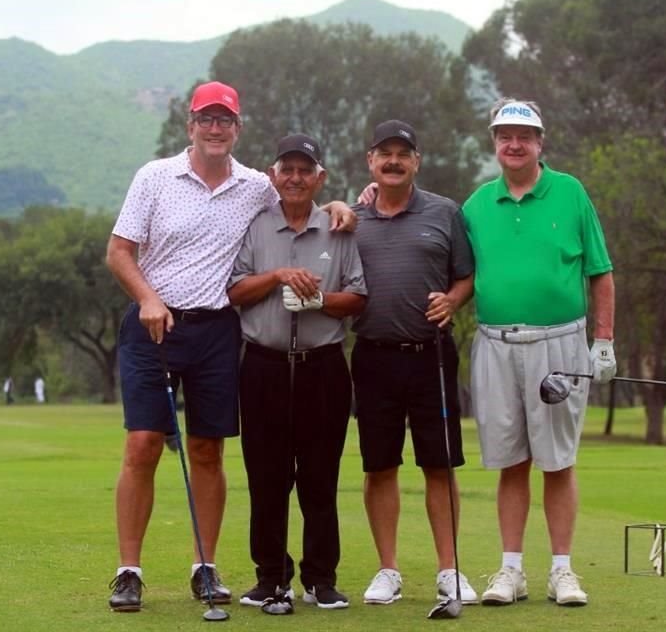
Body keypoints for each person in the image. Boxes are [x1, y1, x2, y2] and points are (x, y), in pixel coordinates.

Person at [104, 81, 355, 613]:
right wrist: (148, 298)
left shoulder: (254, 186)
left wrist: (340, 203)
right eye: (205, 119)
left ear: (237, 129)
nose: (215, 129)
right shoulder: (154, 177)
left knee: (207, 450)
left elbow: (298, 199)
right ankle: (128, 570)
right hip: (154, 323)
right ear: (190, 125)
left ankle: (205, 566)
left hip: (218, 329)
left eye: (225, 121)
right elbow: (119, 251)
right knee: (143, 445)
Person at [461, 98, 616, 607]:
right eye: (504, 135)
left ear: (539, 142)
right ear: (495, 142)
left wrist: (604, 341)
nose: (513, 144)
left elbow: (600, 273)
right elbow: (461, 274)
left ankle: (562, 571)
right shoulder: (476, 204)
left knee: (557, 461)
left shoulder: (570, 193)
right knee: (510, 461)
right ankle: (511, 572)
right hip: (496, 342)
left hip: (560, 344)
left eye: (523, 136)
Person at [228, 134, 366, 610]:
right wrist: (278, 275)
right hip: (263, 366)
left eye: (305, 170)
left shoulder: (338, 227)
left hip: (322, 367)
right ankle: (270, 577)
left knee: (319, 478)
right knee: (266, 479)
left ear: (320, 178)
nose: (295, 178)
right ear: (273, 175)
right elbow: (235, 291)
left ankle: (321, 579)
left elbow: (357, 297)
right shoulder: (256, 226)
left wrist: (318, 299)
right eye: (287, 169)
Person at [350, 120, 478, 606]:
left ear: (416, 161)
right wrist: (339, 205)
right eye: (385, 154)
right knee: (379, 466)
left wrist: (452, 300)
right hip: (373, 357)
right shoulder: (352, 216)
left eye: (403, 153)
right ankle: (388, 570)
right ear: (371, 161)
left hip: (431, 357)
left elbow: (465, 277)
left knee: (439, 465)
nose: (394, 161)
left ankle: (449, 569)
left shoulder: (445, 212)